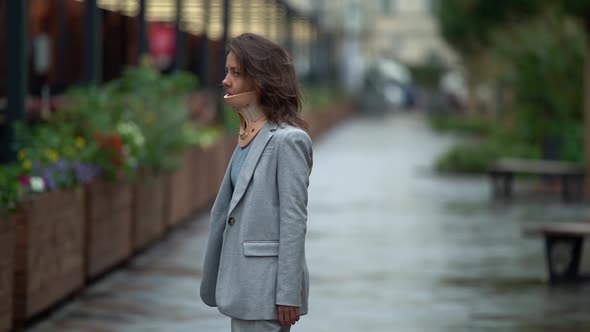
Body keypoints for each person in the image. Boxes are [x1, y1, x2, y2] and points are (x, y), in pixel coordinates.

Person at [200, 33, 313, 332]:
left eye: (235, 73)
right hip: (244, 285)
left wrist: (288, 293)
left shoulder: (288, 141)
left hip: (267, 291)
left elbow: (293, 219)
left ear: (261, 79)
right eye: (227, 71)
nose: (225, 80)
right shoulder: (251, 134)